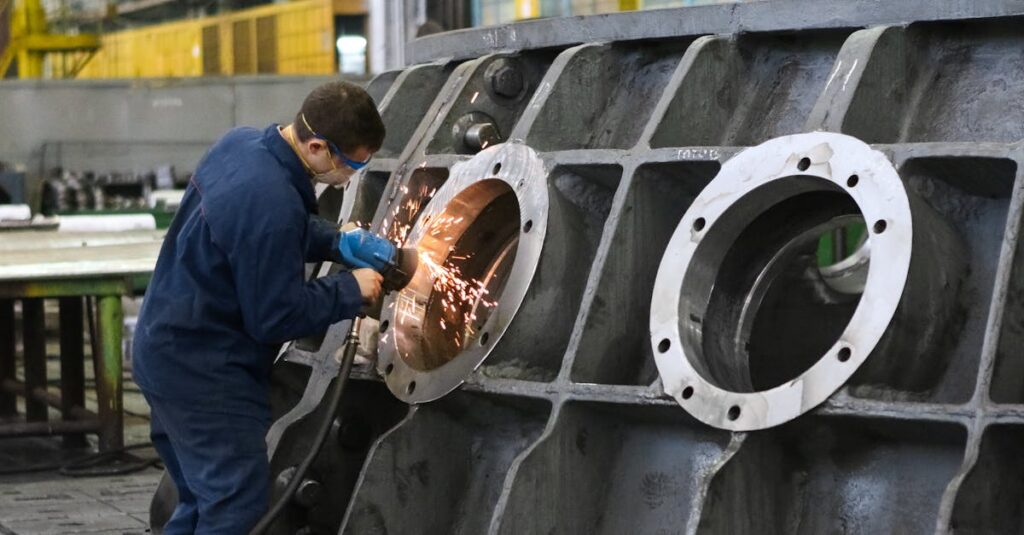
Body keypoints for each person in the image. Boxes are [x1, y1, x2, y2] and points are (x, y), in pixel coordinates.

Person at [132, 80, 385, 534]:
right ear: (316, 146)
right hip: (205, 375)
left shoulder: (242, 145)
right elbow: (275, 316)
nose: (349, 177)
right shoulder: (271, 202)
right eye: (349, 165)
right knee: (234, 509)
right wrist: (351, 290)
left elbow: (256, 233)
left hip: (165, 350)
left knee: (196, 500)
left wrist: (338, 241)